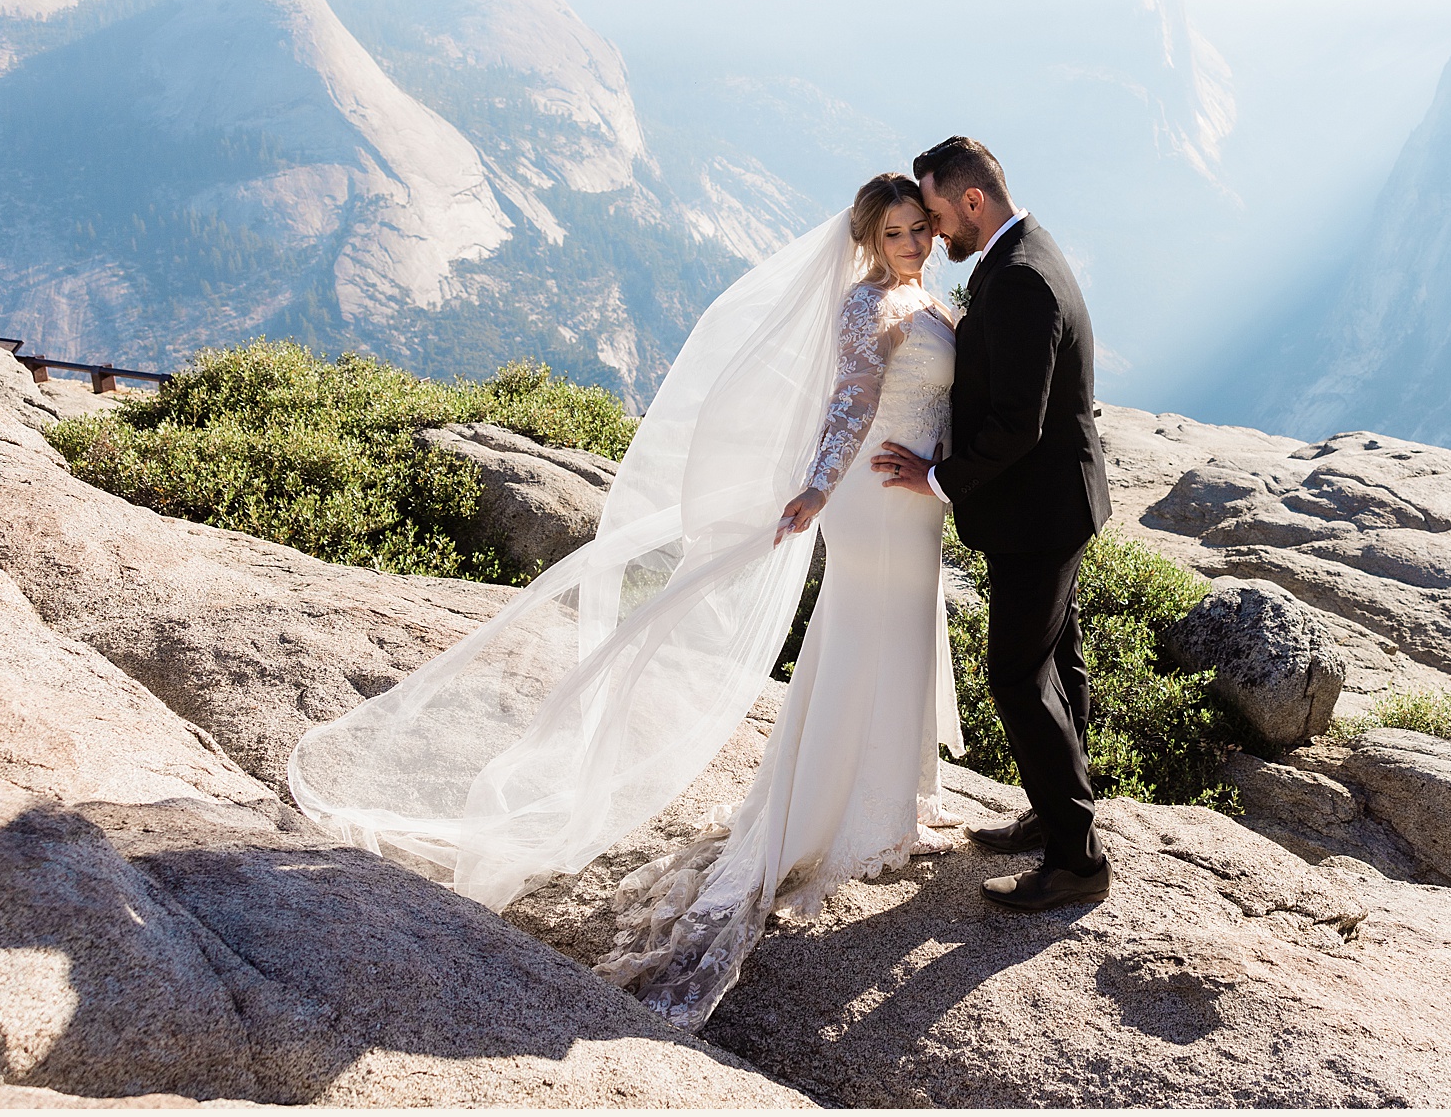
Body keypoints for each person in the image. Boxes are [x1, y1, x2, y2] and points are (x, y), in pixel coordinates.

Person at [286, 171, 969, 1030]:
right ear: (870, 240)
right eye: (899, 232)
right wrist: (819, 488)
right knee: (863, 636)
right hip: (874, 493)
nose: (915, 243)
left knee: (900, 633)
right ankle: (834, 818)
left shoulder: (924, 294)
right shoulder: (868, 307)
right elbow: (848, 407)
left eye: (920, 230)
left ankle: (897, 799)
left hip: (920, 498)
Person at [874, 135, 1115, 912]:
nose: (935, 232)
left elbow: (1018, 425)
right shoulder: (1027, 253)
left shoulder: (1018, 280)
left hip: (1037, 515)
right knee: (1058, 665)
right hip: (1056, 506)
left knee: (1016, 676)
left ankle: (1077, 859)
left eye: (938, 213)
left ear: (972, 200)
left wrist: (937, 477)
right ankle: (1055, 818)